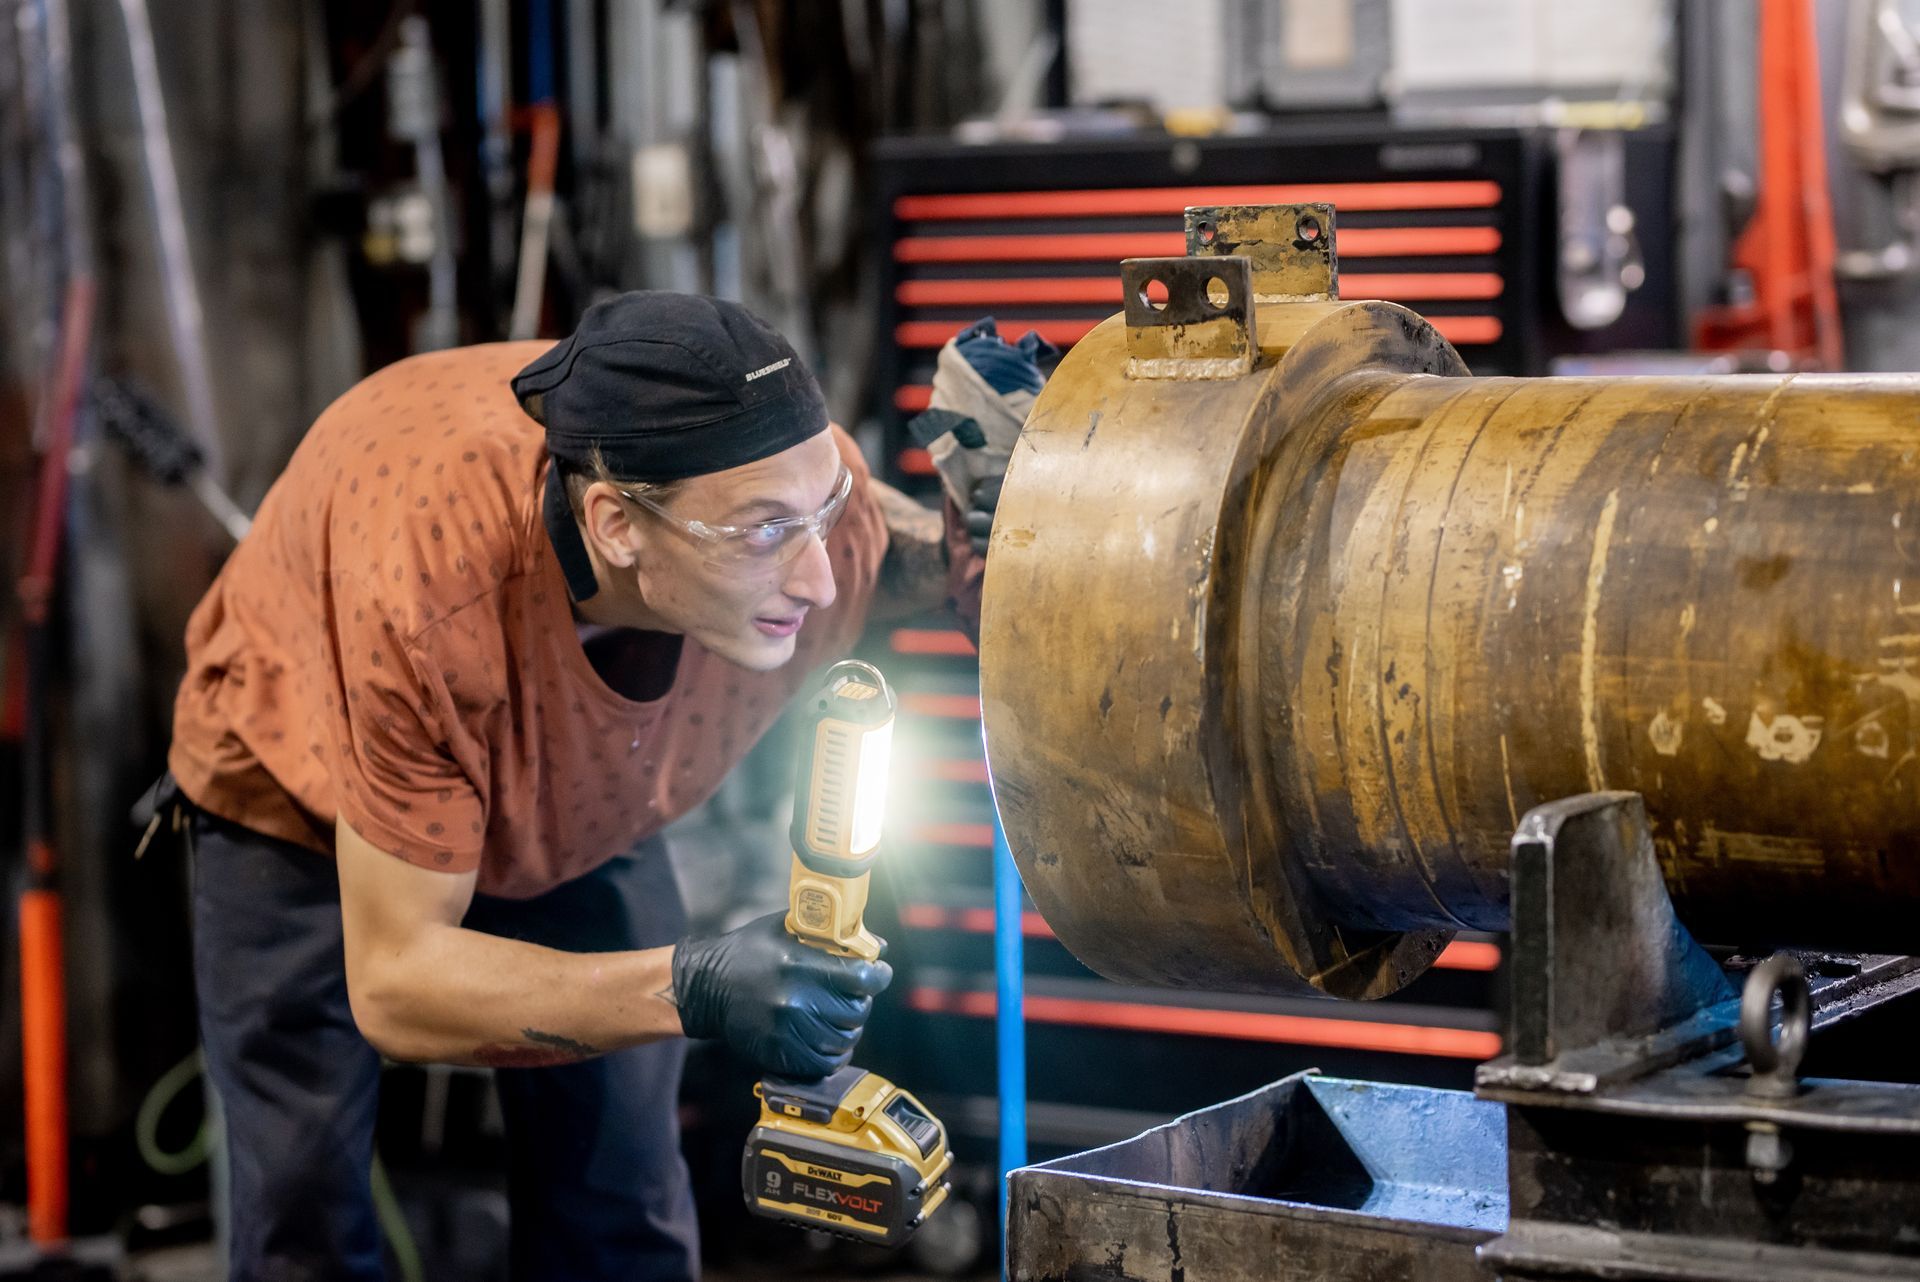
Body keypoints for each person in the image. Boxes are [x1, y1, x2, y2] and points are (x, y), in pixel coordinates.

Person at [159, 292, 990, 1281]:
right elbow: (396, 983)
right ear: (615, 522)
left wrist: (989, 550)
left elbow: (872, 550)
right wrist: (686, 985)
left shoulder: (784, 480)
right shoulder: (432, 597)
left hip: (581, 798)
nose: (814, 581)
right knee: (306, 1213)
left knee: (622, 1201)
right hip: (302, 795)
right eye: (766, 533)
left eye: (820, 514)